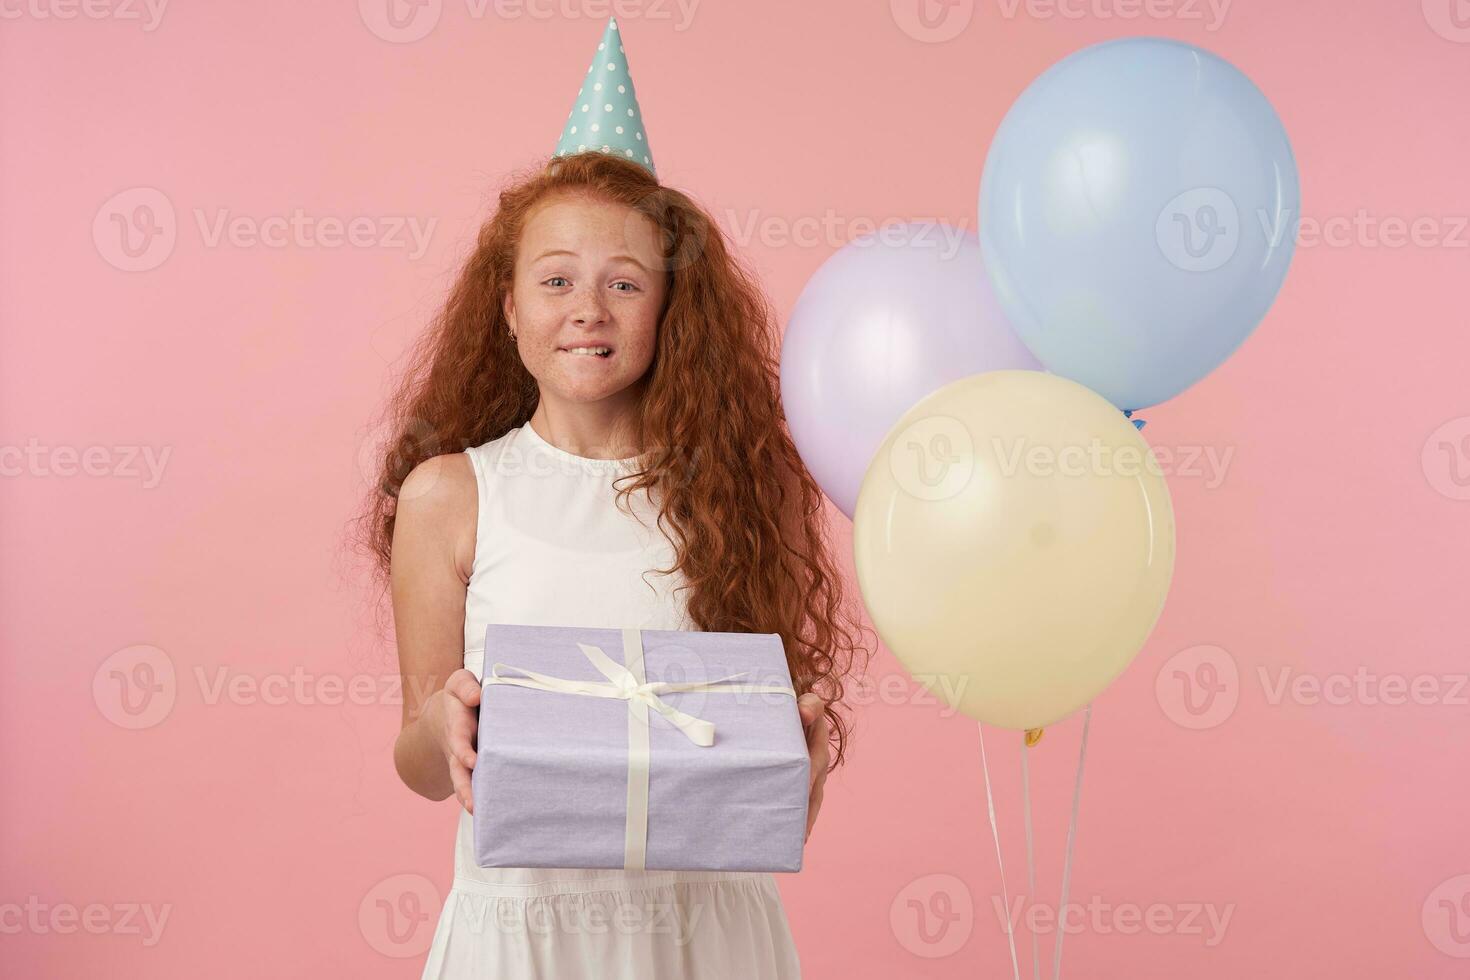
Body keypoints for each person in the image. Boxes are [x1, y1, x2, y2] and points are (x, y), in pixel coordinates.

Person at [354, 148, 870, 978]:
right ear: (509, 307)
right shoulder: (448, 496)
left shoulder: (738, 496)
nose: (588, 309)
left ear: (672, 310)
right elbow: (418, 765)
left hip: (704, 931)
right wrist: (446, 732)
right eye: (556, 280)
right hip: (524, 930)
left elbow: (757, 774)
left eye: (624, 283)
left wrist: (793, 766)